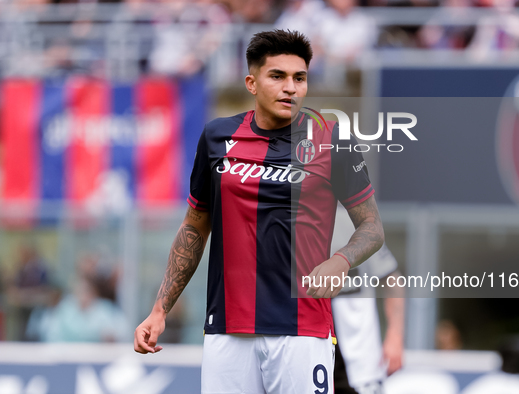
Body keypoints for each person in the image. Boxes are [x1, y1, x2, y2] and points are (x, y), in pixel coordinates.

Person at [133, 29, 384, 394]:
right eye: (277, 76)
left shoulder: (332, 141)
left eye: (299, 78)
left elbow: (372, 227)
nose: (291, 88)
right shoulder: (217, 138)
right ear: (252, 82)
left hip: (303, 329)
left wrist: (341, 260)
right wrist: (160, 309)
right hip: (227, 331)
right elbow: (194, 227)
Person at [332, 205, 404, 394]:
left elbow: (392, 279)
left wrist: (395, 336)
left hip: (359, 362)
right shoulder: (285, 221)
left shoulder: (352, 223)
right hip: (309, 357)